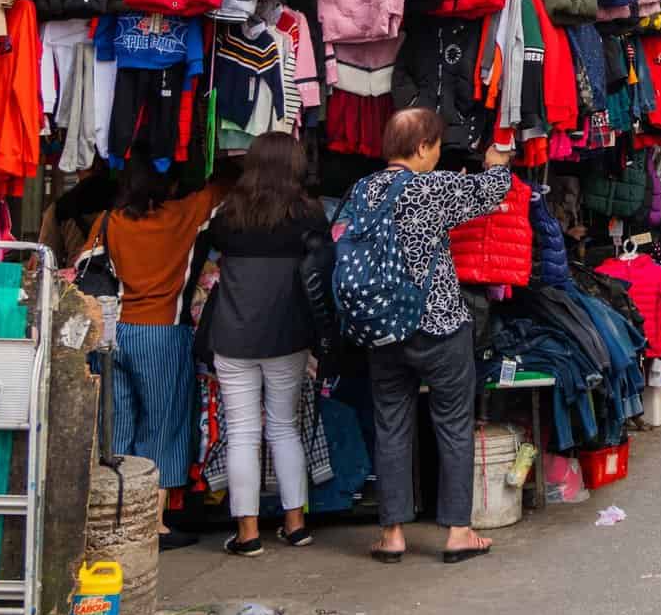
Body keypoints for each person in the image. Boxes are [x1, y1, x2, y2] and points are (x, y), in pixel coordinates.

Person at [358, 107, 515, 566]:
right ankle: (458, 531)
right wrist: (496, 163)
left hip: (382, 327)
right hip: (438, 324)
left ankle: (391, 534)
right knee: (453, 424)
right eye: (436, 147)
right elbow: (490, 193)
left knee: (391, 425)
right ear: (423, 148)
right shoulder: (431, 187)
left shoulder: (362, 192)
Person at [74, 161, 228, 550]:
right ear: (171, 183)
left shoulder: (110, 221)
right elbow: (223, 185)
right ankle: (154, 523)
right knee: (163, 426)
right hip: (163, 333)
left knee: (118, 423)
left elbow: (81, 267)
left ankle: (118, 517)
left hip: (114, 333)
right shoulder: (184, 214)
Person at [200, 132, 334, 557]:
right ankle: (295, 525)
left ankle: (248, 533)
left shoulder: (228, 214)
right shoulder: (308, 214)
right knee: (283, 428)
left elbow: (206, 257)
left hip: (233, 332)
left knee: (242, 432)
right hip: (288, 334)